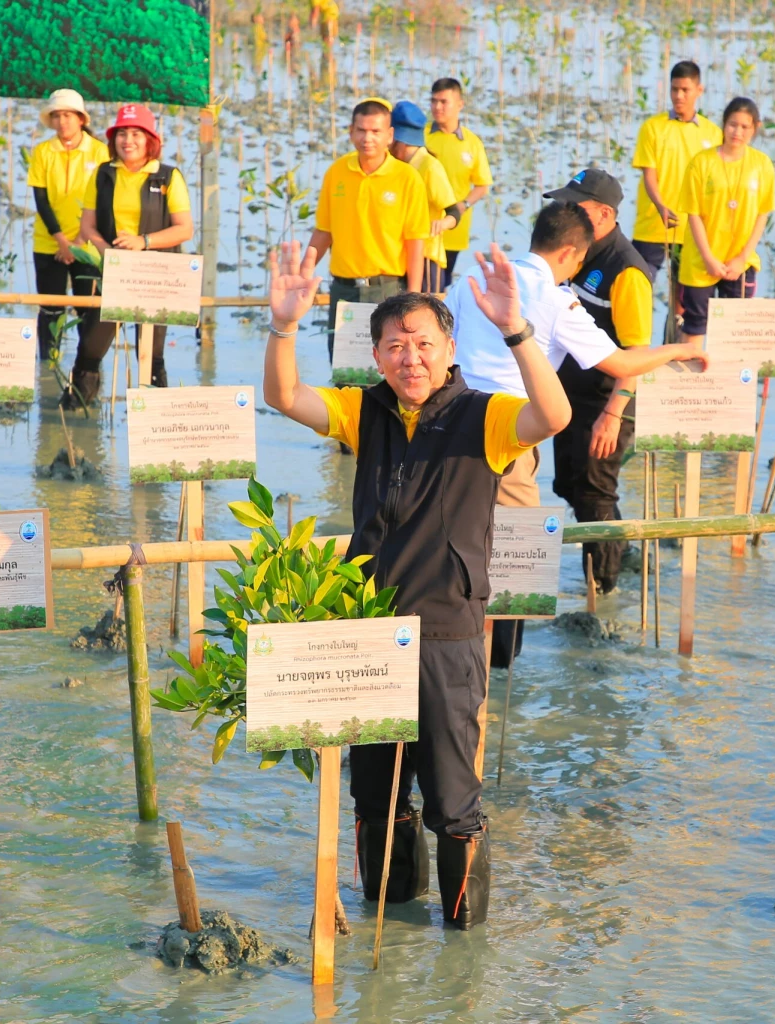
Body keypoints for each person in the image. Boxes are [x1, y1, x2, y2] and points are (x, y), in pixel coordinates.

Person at [263, 239, 574, 929]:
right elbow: (282, 395)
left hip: (447, 634)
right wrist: (284, 325)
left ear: (449, 348)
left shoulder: (485, 417)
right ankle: (389, 923)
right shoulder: (362, 411)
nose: (411, 358)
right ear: (374, 355)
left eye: (423, 343)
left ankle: (461, 947)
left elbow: (553, 418)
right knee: (374, 795)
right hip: (369, 630)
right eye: (395, 345)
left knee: (453, 800)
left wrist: (517, 330)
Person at [452, 195, 702, 592]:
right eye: (579, 261)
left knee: (457, 535)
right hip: (507, 431)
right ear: (569, 252)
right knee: (517, 564)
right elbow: (621, 364)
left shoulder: (474, 276)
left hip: (453, 419)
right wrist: (680, 349)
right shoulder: (557, 300)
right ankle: (498, 650)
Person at [546, 170, 661, 593]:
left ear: (606, 213)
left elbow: (636, 355)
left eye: (577, 207)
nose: (566, 213)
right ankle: (620, 546)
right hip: (570, 396)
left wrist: (613, 415)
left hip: (606, 401)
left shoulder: (626, 270)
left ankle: (604, 590)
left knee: (595, 494)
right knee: (569, 484)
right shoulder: (575, 252)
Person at [62, 104, 193, 406]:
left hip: (156, 278)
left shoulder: (168, 177)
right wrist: (107, 251)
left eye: (136, 134)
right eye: (122, 133)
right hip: (113, 274)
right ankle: (76, 415)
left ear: (151, 141)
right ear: (113, 140)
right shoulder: (103, 175)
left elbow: (184, 229)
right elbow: (88, 227)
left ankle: (157, 421)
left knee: (152, 355)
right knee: (90, 349)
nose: (128, 141)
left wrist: (143, 242)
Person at [309, 99, 430, 360]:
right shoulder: (336, 172)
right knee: (344, 372)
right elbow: (323, 232)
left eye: (376, 132)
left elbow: (415, 243)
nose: (368, 138)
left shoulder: (407, 178)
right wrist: (302, 273)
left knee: (390, 371)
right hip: (344, 291)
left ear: (389, 135)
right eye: (361, 130)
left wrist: (414, 297)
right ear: (351, 132)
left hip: (386, 289)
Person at [680, 98, 775, 336]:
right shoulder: (701, 162)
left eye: (745, 127)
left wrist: (742, 258)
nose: (738, 132)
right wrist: (709, 258)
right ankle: (692, 374)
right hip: (701, 260)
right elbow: (693, 215)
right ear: (724, 124)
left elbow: (762, 214)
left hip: (739, 261)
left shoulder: (761, 164)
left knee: (734, 334)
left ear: (755, 128)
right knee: (695, 327)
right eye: (733, 124)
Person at [26, 89, 107, 361]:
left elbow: (103, 203)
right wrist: (62, 241)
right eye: (57, 116)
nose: (63, 122)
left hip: (88, 244)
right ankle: (49, 367)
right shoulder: (43, 152)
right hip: (49, 244)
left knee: (88, 310)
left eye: (69, 116)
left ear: (81, 119)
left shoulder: (101, 153)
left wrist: (80, 243)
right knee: (51, 309)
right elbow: (41, 200)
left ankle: (87, 367)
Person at [629, 60, 722, 282]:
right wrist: (661, 206)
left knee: (682, 297)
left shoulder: (713, 133)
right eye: (674, 89)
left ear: (699, 91)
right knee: (639, 284)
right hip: (653, 226)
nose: (679, 96)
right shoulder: (652, 128)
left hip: (691, 231)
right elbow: (649, 175)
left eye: (685, 90)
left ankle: (675, 319)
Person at [424, 78, 493, 291]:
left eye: (444, 102)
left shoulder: (471, 143)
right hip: (424, 226)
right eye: (434, 101)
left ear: (460, 104)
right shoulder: (422, 136)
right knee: (420, 286)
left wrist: (464, 205)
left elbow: (482, 185)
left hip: (454, 228)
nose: (437, 107)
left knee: (441, 284)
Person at [388, 101, 459, 295]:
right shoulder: (394, 165)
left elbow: (454, 211)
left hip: (426, 258)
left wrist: (443, 223)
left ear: (399, 141)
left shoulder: (429, 167)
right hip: (399, 256)